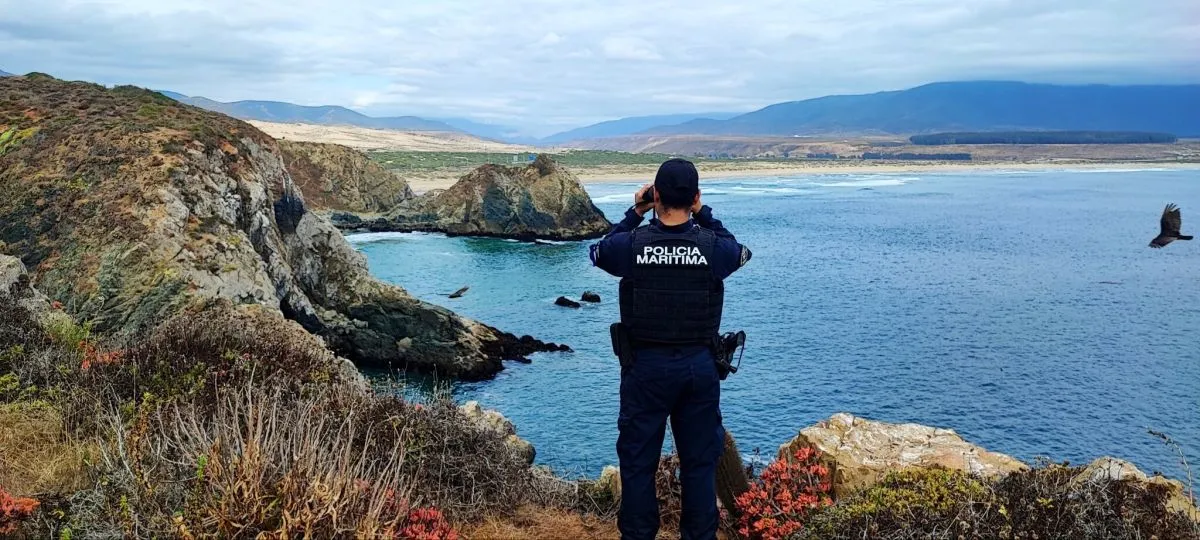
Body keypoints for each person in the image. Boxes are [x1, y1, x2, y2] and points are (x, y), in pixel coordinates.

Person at [590, 158, 752, 540]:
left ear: (656, 194)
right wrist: (704, 213)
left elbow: (599, 251)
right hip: (699, 369)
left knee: (637, 464)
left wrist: (635, 212)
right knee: (699, 465)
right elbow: (740, 250)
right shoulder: (713, 248)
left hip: (645, 368)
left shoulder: (632, 245)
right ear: (694, 197)